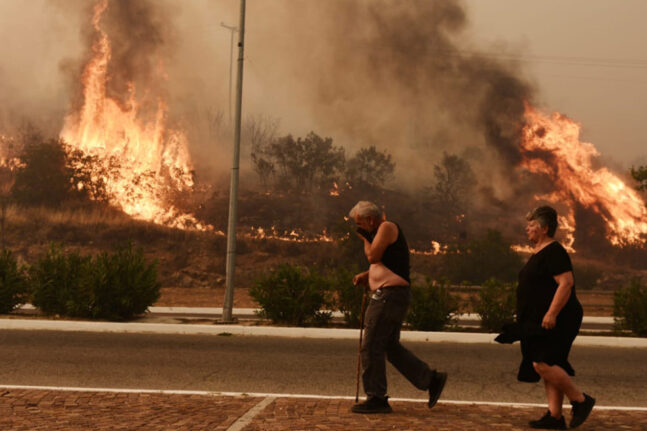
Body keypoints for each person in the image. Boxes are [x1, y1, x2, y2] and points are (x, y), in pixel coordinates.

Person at [497, 206, 595, 429]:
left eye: (531, 225)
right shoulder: (540, 251)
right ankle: (555, 417)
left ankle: (580, 400)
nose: (527, 228)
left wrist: (551, 313)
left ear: (544, 228)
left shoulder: (554, 252)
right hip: (539, 318)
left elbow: (566, 283)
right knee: (550, 363)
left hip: (559, 317)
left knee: (542, 363)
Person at [349, 200, 447, 414]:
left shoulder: (386, 227)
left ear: (370, 219)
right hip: (391, 294)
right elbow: (390, 264)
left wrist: (364, 239)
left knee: (371, 345)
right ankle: (431, 380)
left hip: (390, 296)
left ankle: (376, 398)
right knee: (390, 347)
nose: (359, 227)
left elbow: (373, 256)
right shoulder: (382, 231)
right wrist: (369, 276)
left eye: (360, 223)